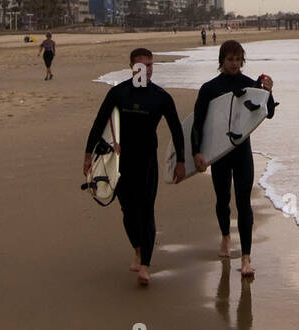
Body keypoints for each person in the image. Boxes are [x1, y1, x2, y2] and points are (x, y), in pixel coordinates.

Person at [84, 48, 186, 286]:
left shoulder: (161, 97)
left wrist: (181, 161)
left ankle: (146, 266)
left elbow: (176, 130)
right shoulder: (118, 93)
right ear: (131, 67)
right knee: (128, 212)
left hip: (147, 162)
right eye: (141, 65)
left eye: (150, 65)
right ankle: (138, 250)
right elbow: (99, 123)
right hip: (121, 163)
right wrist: (88, 156)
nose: (146, 69)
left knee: (146, 211)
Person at [192, 40, 274, 279]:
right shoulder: (209, 88)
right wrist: (198, 152)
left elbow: (268, 113)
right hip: (219, 153)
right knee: (222, 199)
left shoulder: (250, 85)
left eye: (238, 60)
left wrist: (269, 92)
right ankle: (226, 237)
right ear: (222, 60)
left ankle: (246, 258)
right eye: (230, 60)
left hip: (241, 153)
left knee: (244, 202)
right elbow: (198, 122)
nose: (234, 64)